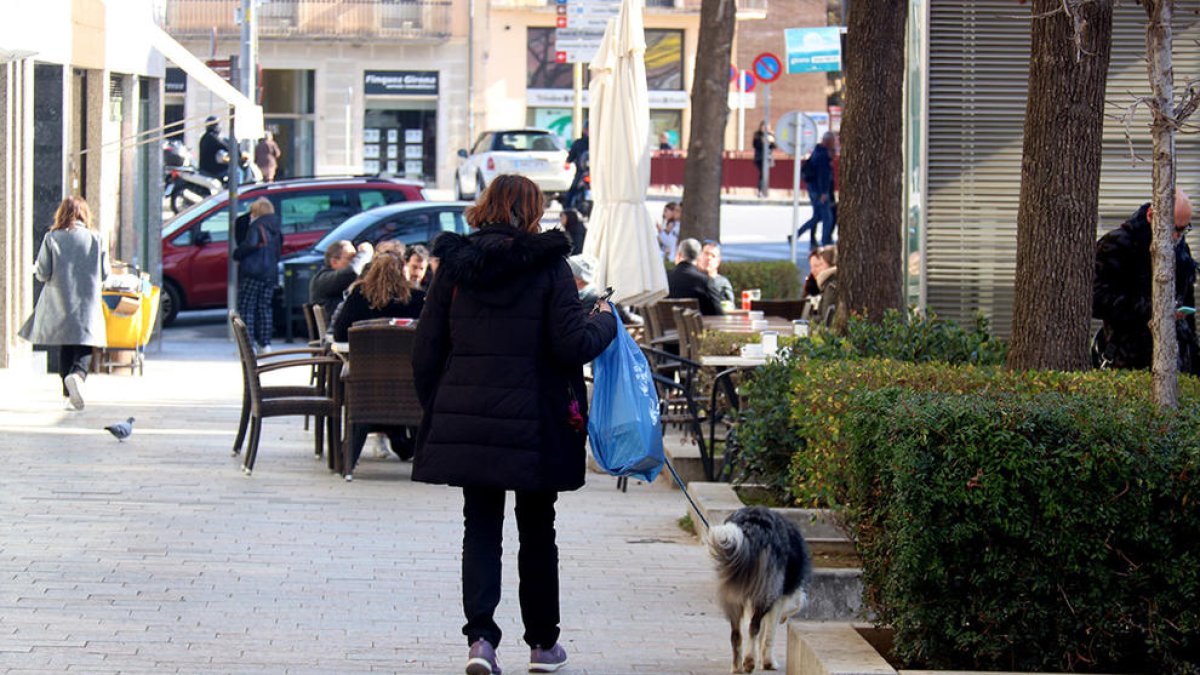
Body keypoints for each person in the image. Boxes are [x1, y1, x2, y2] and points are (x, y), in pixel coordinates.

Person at [412, 174, 617, 675]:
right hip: (536, 426)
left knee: (479, 527)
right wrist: (606, 319)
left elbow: (426, 348)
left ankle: (481, 641)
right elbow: (572, 344)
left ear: (486, 207)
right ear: (530, 213)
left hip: (470, 421)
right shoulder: (550, 267)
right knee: (537, 530)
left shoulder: (453, 269)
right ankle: (543, 647)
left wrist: (441, 407)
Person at [333, 251, 427, 472]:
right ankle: (401, 438)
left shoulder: (358, 297)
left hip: (365, 385)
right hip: (409, 386)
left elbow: (339, 335)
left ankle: (378, 438)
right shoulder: (415, 300)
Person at [19, 196, 109, 411]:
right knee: (85, 343)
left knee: (65, 345)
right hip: (87, 302)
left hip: (61, 301)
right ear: (84, 214)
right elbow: (105, 273)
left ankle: (68, 395)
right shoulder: (96, 239)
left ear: (62, 213)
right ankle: (78, 376)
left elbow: (43, 272)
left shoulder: (52, 238)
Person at [1093, 189, 1198, 372]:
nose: (1176, 237)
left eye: (1183, 230)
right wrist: (1154, 309)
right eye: (1174, 228)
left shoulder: (1181, 251)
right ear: (1151, 216)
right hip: (1128, 359)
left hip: (1177, 361)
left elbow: (1187, 307)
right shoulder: (1117, 245)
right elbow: (1096, 300)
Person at [233, 198, 284, 352]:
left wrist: (237, 254)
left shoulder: (257, 226)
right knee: (265, 308)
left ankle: (248, 345)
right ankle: (265, 343)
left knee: (247, 307)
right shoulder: (275, 227)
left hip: (253, 271)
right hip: (270, 273)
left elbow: (250, 244)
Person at [310, 239, 373, 320]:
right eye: (352, 258)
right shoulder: (322, 279)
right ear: (334, 261)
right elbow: (352, 271)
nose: (355, 261)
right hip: (338, 330)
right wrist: (365, 254)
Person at [795, 132, 837, 247]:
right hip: (820, 191)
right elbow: (823, 176)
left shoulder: (817, 152)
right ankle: (825, 242)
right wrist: (823, 192)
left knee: (818, 216)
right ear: (829, 142)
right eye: (833, 142)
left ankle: (797, 235)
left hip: (813, 189)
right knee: (827, 217)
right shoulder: (823, 155)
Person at [668, 238, 725, 316]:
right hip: (695, 328)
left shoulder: (664, 280)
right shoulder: (705, 282)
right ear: (698, 257)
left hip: (664, 328)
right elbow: (718, 315)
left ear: (679, 254)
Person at [563, 121, 590, 210]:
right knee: (573, 190)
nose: (589, 132)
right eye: (587, 129)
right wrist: (568, 162)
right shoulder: (579, 143)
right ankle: (567, 210)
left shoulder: (600, 143)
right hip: (581, 171)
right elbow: (571, 155)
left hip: (597, 172)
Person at [700, 240, 735, 306]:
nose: (709, 258)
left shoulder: (723, 284)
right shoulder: (692, 281)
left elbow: (729, 307)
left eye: (713, 256)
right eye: (706, 254)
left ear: (718, 261)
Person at [811, 245, 839, 326]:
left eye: (821, 264)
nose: (817, 269)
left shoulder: (831, 285)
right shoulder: (828, 283)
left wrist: (808, 318)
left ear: (830, 265)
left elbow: (826, 319)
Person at [752, 121, 777, 198]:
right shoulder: (757, 135)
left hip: (768, 158)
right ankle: (761, 190)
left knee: (765, 175)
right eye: (764, 127)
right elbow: (756, 145)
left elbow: (774, 146)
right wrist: (764, 141)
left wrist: (771, 140)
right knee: (763, 174)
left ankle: (764, 190)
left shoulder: (771, 135)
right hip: (760, 158)